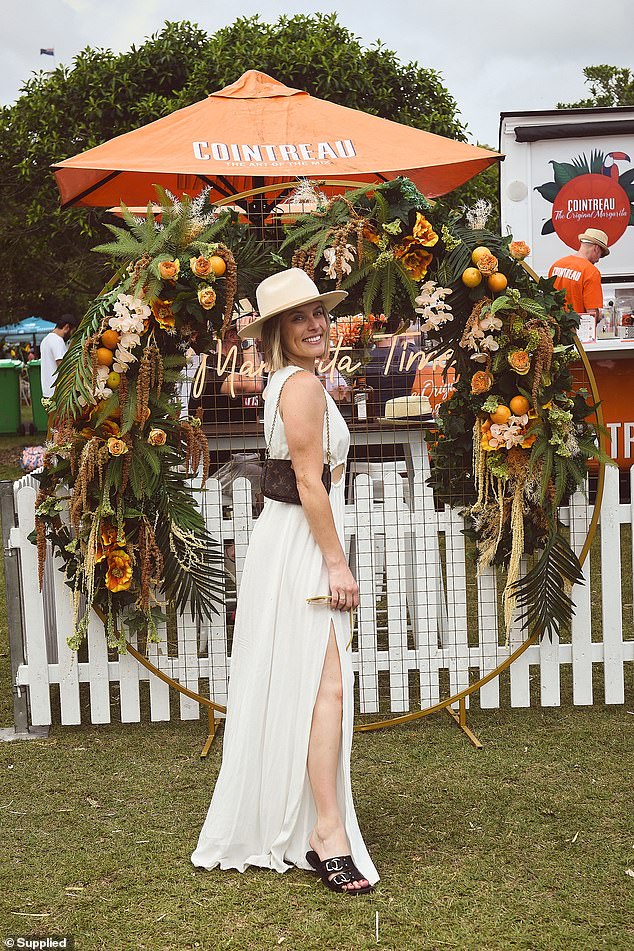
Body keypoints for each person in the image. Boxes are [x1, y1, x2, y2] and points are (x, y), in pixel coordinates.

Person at [191, 268, 379, 895]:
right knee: (324, 687)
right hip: (303, 541)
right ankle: (327, 832)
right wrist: (335, 562)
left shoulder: (296, 383)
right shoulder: (298, 386)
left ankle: (309, 819)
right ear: (277, 332)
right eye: (298, 318)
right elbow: (307, 482)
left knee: (312, 684)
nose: (315, 325)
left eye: (318, 314)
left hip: (293, 535)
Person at [548, 228, 610, 317]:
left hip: (554, 327)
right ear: (596, 248)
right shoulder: (591, 271)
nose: (598, 260)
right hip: (577, 328)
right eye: (601, 254)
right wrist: (599, 316)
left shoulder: (557, 265)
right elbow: (591, 313)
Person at [39, 314, 79, 398]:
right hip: (58, 393)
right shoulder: (57, 340)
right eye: (72, 331)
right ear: (66, 328)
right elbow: (62, 367)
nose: (71, 335)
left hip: (48, 391)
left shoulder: (46, 340)